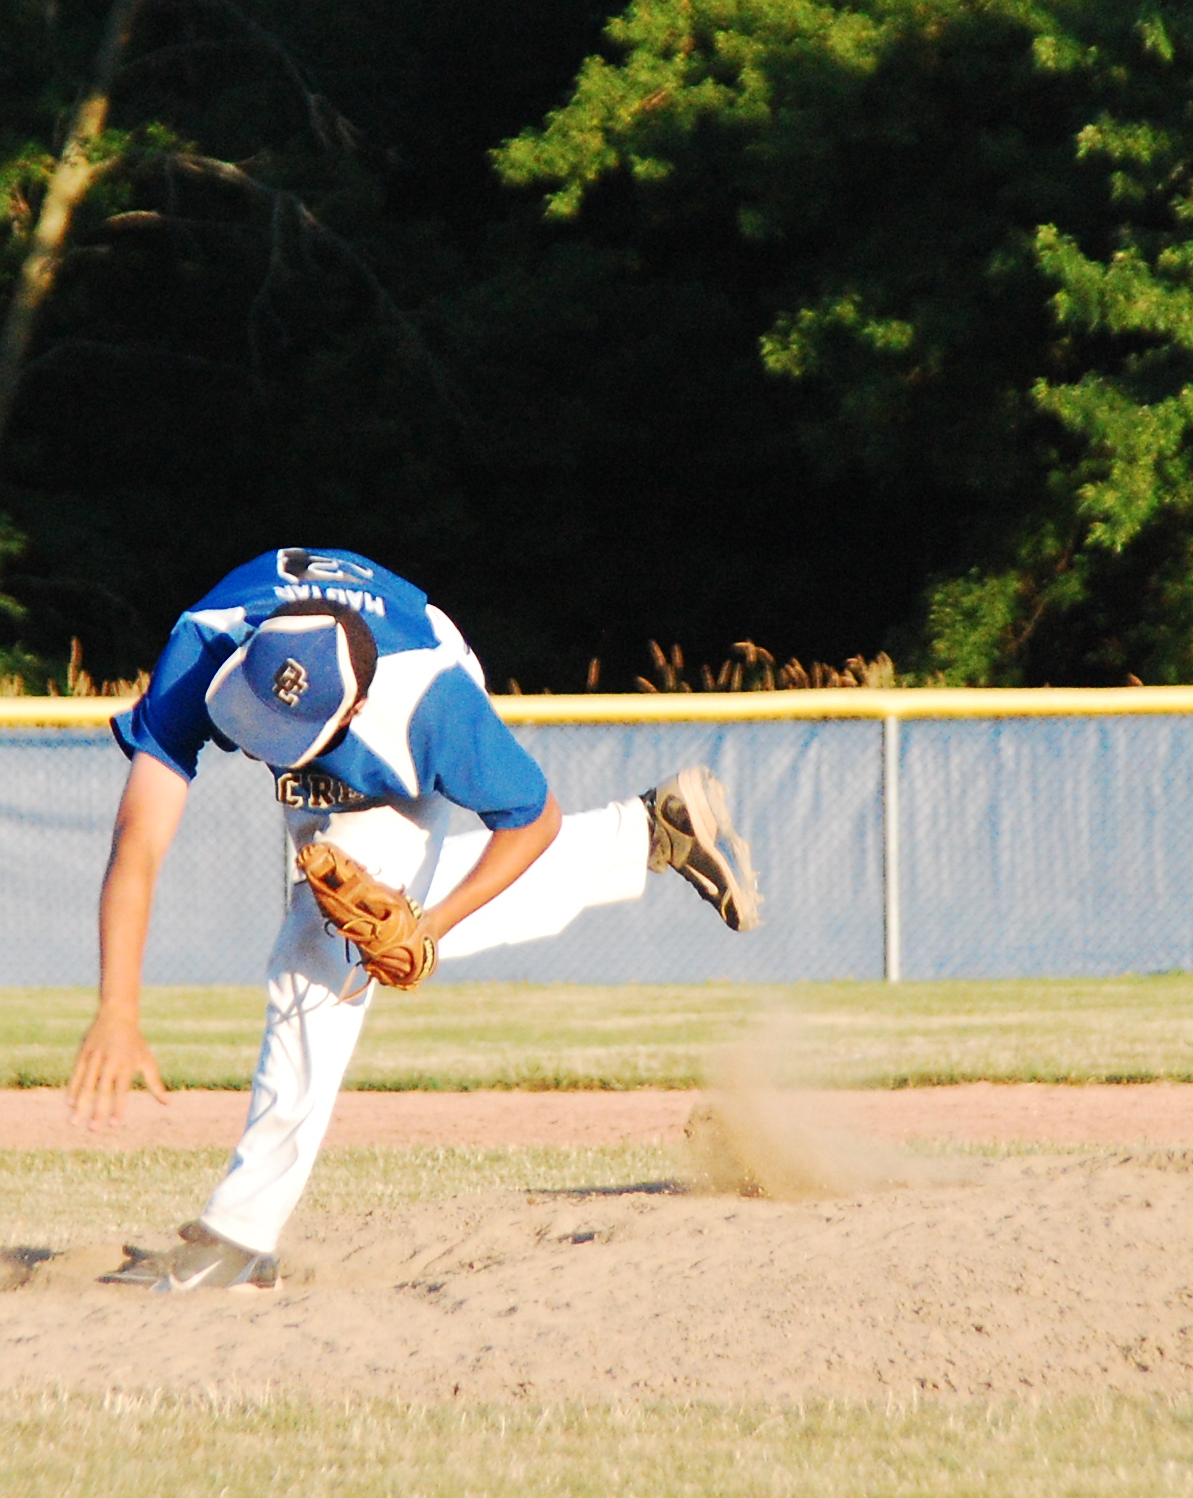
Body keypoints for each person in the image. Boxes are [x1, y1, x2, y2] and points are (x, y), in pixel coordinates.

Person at [67, 547, 763, 1289]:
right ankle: (651, 831)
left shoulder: (434, 708)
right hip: (339, 660)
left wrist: (432, 927)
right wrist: (117, 1008)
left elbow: (533, 822)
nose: (260, 741)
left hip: (407, 678)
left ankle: (238, 1239)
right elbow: (138, 843)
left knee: (318, 954)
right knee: (355, 926)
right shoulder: (208, 646)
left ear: (353, 711)